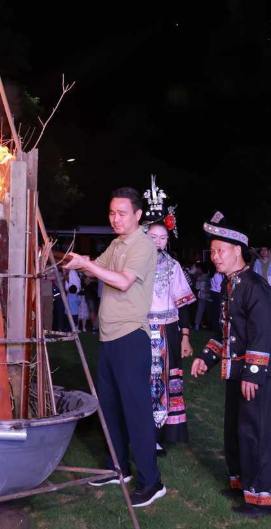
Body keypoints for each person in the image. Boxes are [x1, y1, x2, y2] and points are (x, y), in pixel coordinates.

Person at [61, 188, 164, 509]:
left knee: (136, 411)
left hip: (131, 338)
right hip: (107, 339)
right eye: (111, 213)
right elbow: (91, 267)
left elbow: (121, 281)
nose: (115, 218)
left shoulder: (143, 245)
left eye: (121, 213)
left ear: (138, 215)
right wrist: (65, 259)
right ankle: (116, 467)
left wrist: (87, 266)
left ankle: (152, 481)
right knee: (110, 407)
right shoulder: (117, 244)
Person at [191, 211, 271, 517]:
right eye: (212, 251)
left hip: (253, 374)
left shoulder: (255, 286)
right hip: (234, 371)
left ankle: (262, 499)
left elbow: (260, 336)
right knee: (235, 431)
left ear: (237, 251)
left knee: (254, 433)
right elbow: (225, 332)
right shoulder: (230, 285)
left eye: (220, 251)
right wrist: (205, 358)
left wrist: (253, 374)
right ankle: (242, 483)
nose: (214, 257)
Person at [146, 222, 195, 453]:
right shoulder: (134, 263)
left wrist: (185, 336)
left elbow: (183, 303)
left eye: (163, 237)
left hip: (167, 331)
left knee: (164, 381)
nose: (158, 241)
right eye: (153, 236)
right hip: (141, 329)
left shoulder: (173, 266)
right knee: (142, 381)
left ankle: (160, 433)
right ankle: (140, 430)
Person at [252, 247, 271, 331]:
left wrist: (269, 286)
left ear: (269, 252)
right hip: (260, 288)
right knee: (259, 307)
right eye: (262, 250)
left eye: (265, 250)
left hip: (270, 288)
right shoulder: (257, 262)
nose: (263, 252)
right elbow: (255, 275)